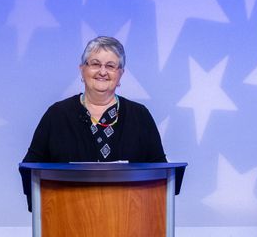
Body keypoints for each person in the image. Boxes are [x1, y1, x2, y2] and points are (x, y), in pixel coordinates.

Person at [22, 36, 166, 163]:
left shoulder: (139, 116)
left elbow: (161, 172)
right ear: (82, 70)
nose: (102, 72)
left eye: (110, 66)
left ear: (120, 74)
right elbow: (32, 169)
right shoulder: (57, 114)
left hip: (129, 195)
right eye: (95, 64)